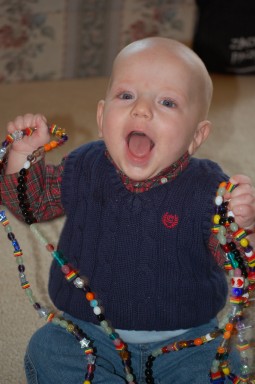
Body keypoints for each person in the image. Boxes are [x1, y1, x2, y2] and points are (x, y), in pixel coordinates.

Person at [1, 37, 255, 384]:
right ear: (102, 115)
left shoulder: (209, 188)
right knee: (47, 349)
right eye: (127, 96)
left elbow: (235, 260)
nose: (142, 110)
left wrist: (243, 225)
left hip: (186, 342)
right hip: (87, 334)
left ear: (197, 136)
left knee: (225, 366)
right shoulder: (84, 166)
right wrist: (22, 156)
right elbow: (31, 203)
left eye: (167, 102)